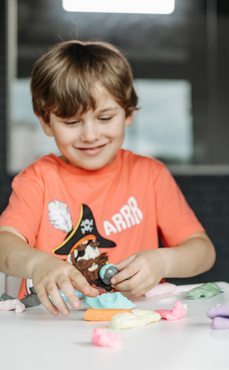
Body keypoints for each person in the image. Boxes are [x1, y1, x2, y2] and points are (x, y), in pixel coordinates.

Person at [0, 40, 216, 317]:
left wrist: (164, 260)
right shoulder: (38, 179)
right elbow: (4, 242)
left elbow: (203, 250)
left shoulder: (150, 175)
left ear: (127, 113)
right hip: (52, 328)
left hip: (137, 325)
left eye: (104, 118)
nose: (90, 135)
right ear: (45, 121)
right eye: (72, 122)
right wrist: (37, 265)